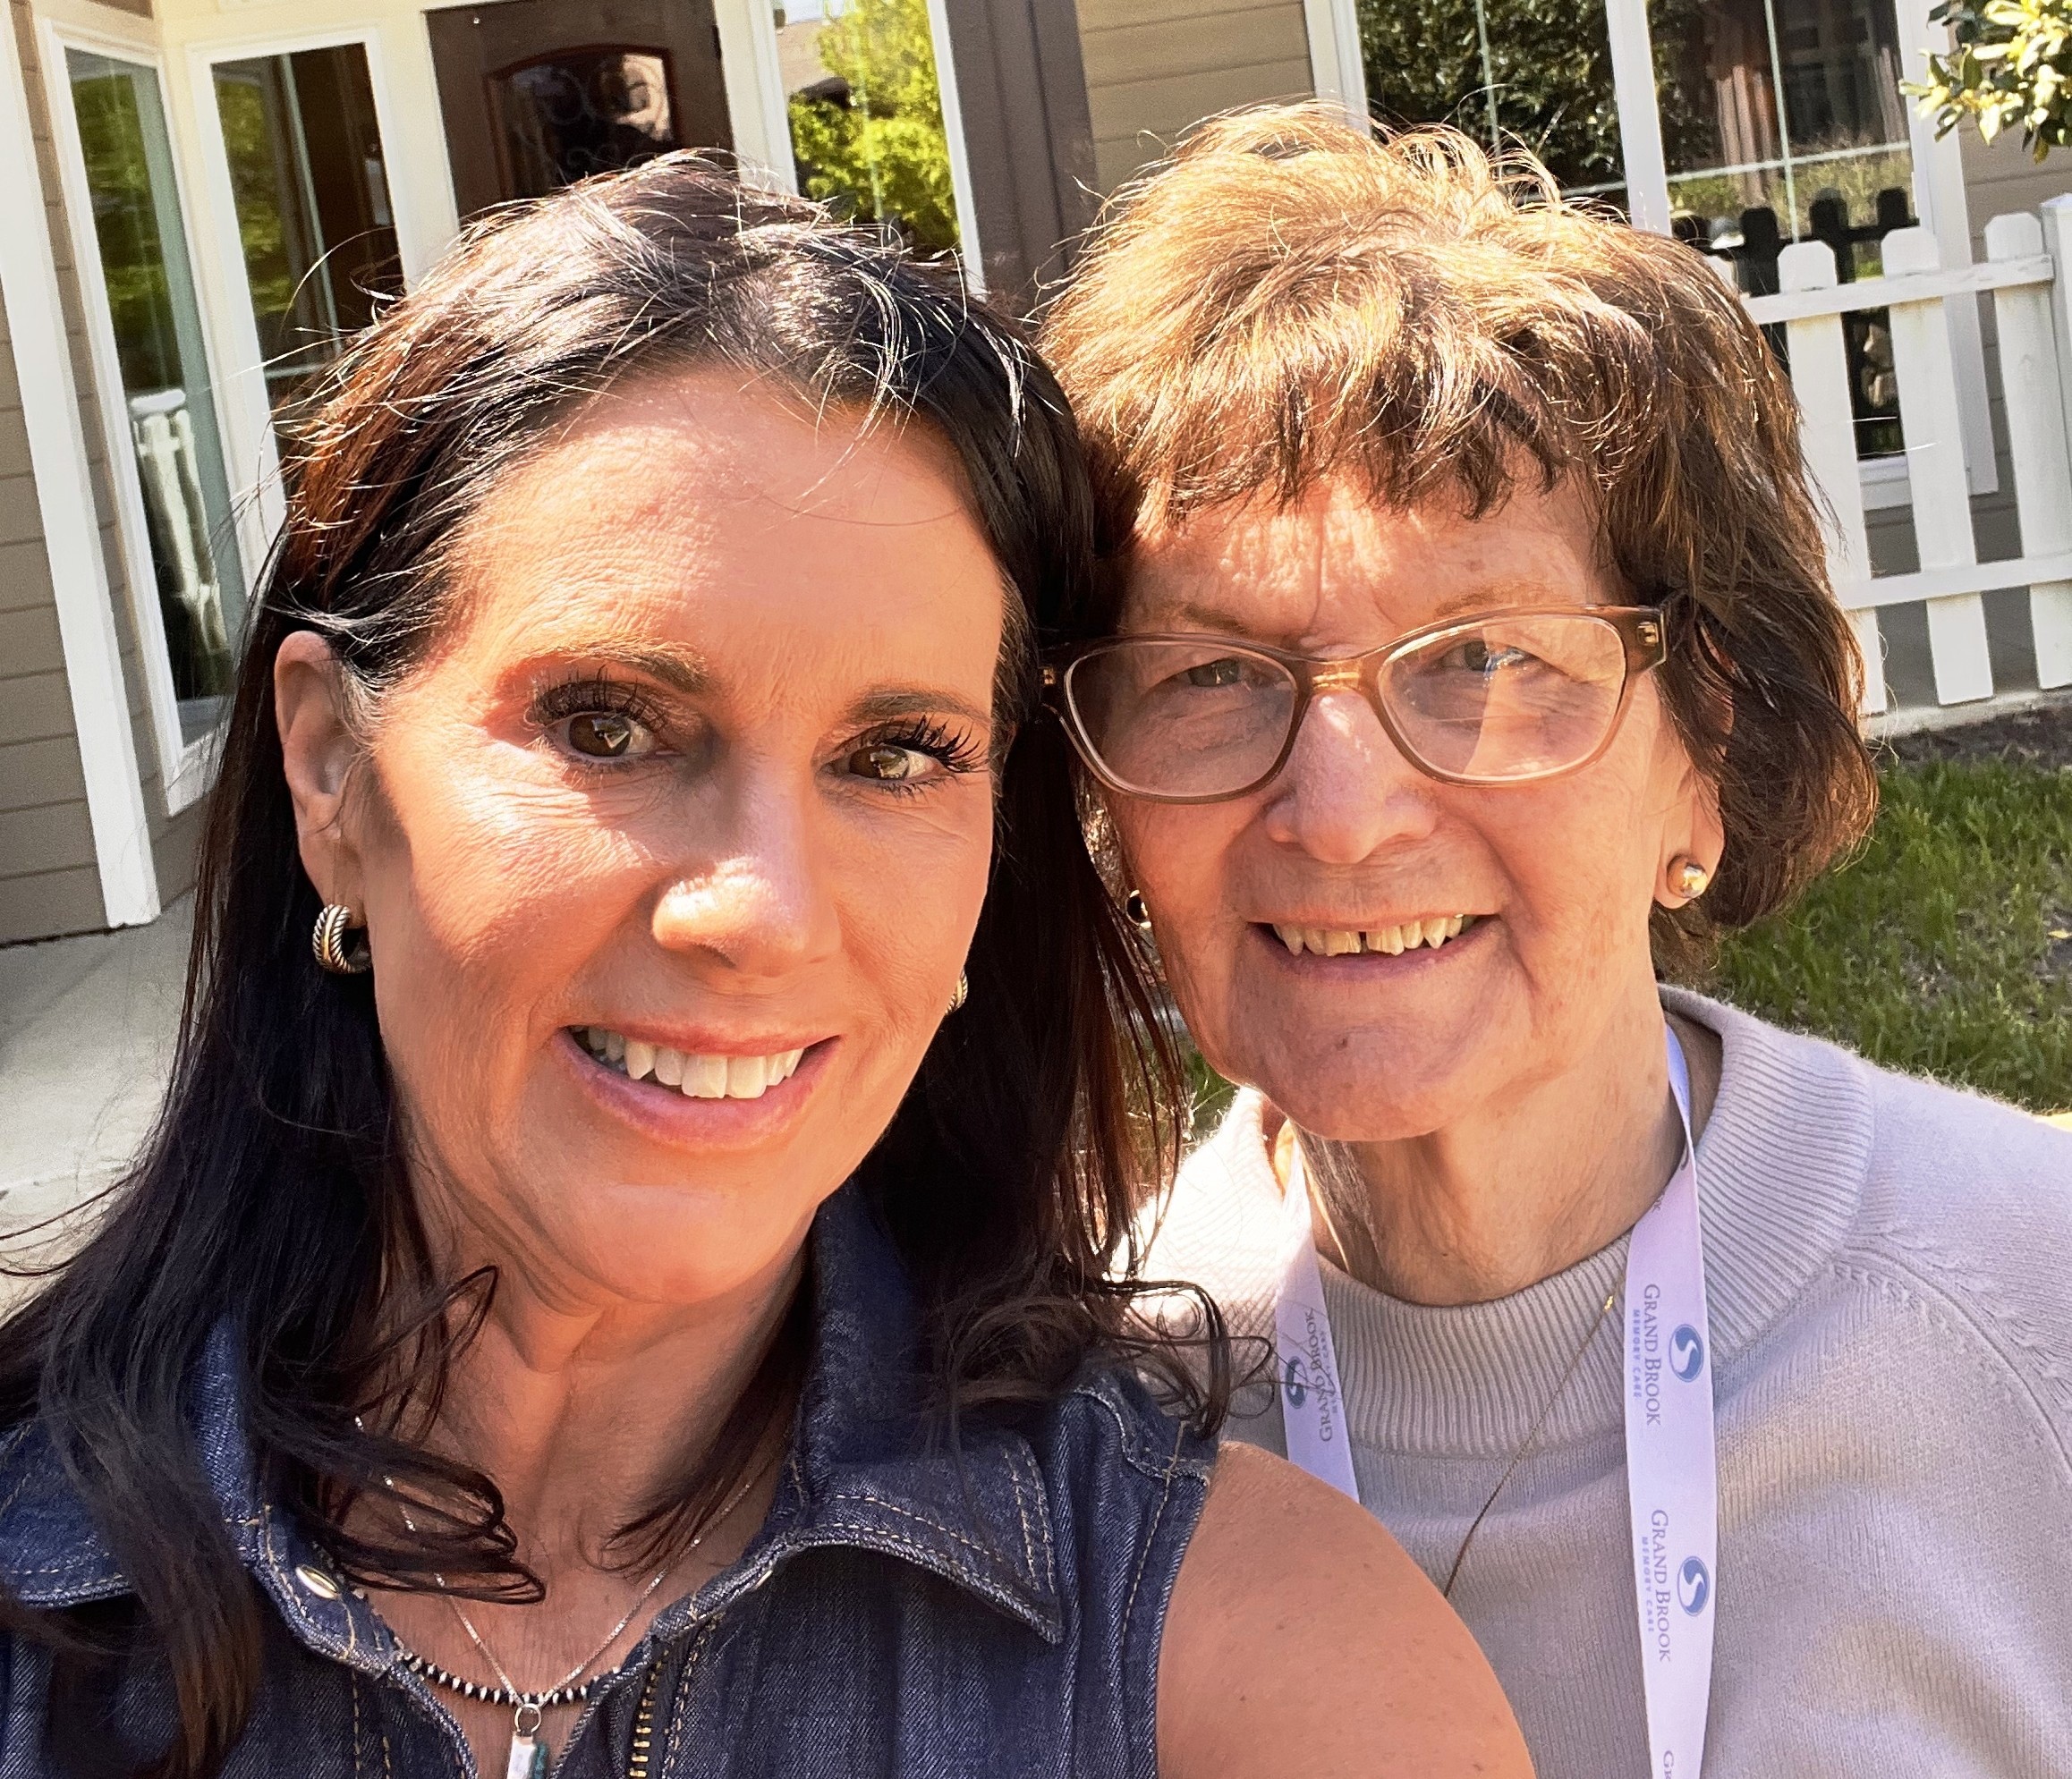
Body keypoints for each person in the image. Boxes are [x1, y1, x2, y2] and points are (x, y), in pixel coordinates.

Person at [0, 158, 1529, 1779]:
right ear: (333, 774)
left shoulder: (1256, 1668)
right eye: (610, 725)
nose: (764, 911)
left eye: (896, 754)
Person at [1041, 106, 2072, 1778]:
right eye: (1213, 674)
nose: (1340, 814)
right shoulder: (1075, 1436)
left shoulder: (2031, 1305)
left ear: (1703, 753)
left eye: (1486, 657)